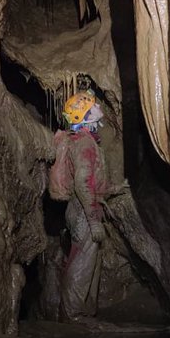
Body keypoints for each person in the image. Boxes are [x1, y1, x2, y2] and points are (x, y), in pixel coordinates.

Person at [48, 90, 111, 321]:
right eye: (93, 107)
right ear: (85, 115)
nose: (99, 108)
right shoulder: (84, 143)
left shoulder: (86, 141)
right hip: (84, 210)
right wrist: (94, 220)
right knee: (82, 261)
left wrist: (111, 190)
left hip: (85, 207)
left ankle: (84, 311)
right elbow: (84, 182)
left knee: (89, 258)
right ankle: (72, 314)